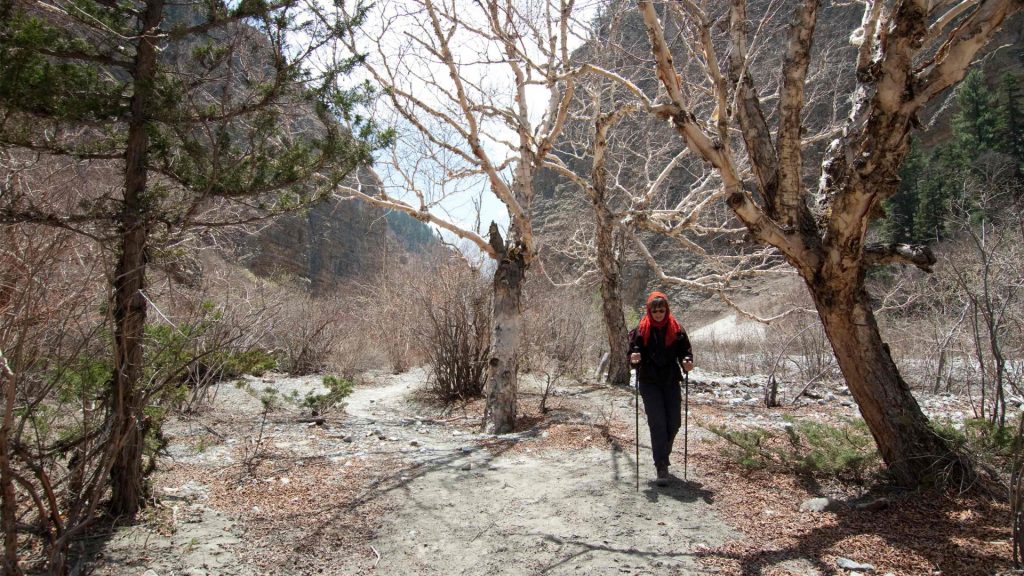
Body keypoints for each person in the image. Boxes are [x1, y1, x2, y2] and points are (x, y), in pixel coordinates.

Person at [629, 291, 693, 486]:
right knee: (657, 423)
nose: (658, 314)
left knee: (674, 423)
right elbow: (632, 351)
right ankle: (661, 465)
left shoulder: (677, 329)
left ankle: (662, 455)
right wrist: (634, 358)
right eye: (655, 311)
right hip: (649, 381)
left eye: (661, 310)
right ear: (650, 311)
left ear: (667, 310)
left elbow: (686, 352)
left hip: (671, 379)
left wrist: (687, 362)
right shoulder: (639, 330)